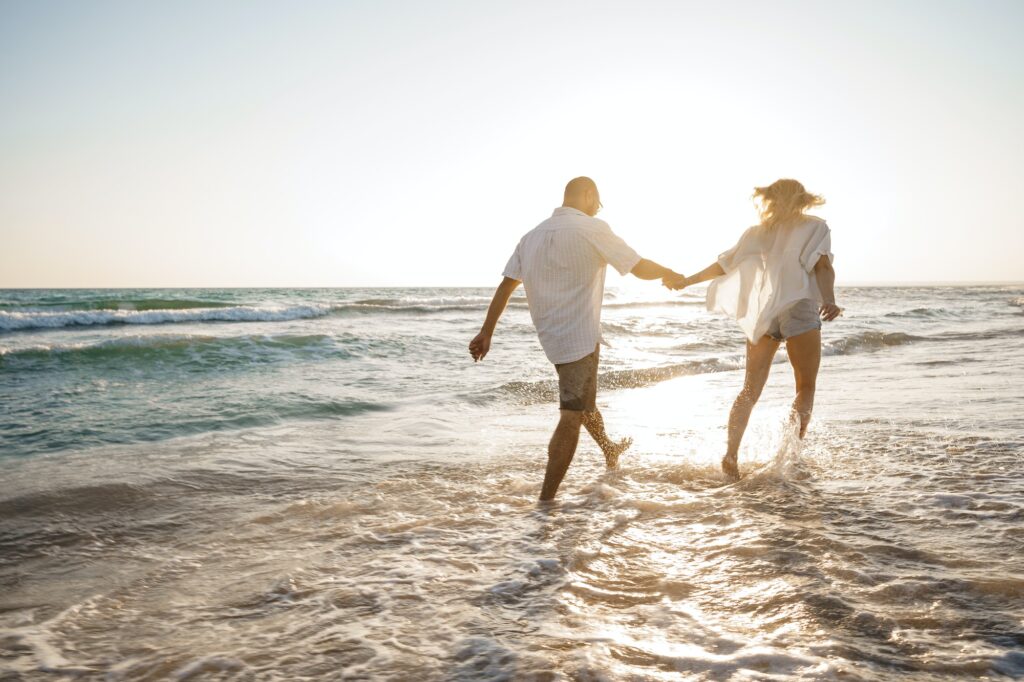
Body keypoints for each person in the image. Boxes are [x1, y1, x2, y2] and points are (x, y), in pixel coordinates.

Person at [469, 177, 683, 501]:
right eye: (598, 201)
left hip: (552, 337)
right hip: (578, 338)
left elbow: (506, 285)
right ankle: (545, 501)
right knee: (570, 416)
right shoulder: (592, 228)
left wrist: (487, 331)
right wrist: (670, 272)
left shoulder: (531, 236)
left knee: (584, 404)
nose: (598, 208)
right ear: (587, 195)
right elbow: (636, 266)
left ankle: (609, 449)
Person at [663, 179, 840, 480]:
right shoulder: (815, 227)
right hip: (798, 308)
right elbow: (822, 267)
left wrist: (686, 281)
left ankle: (731, 454)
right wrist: (830, 300)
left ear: (770, 200)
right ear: (803, 200)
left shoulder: (756, 233)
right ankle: (791, 454)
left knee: (749, 389)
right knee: (805, 386)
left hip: (764, 314)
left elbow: (724, 265)